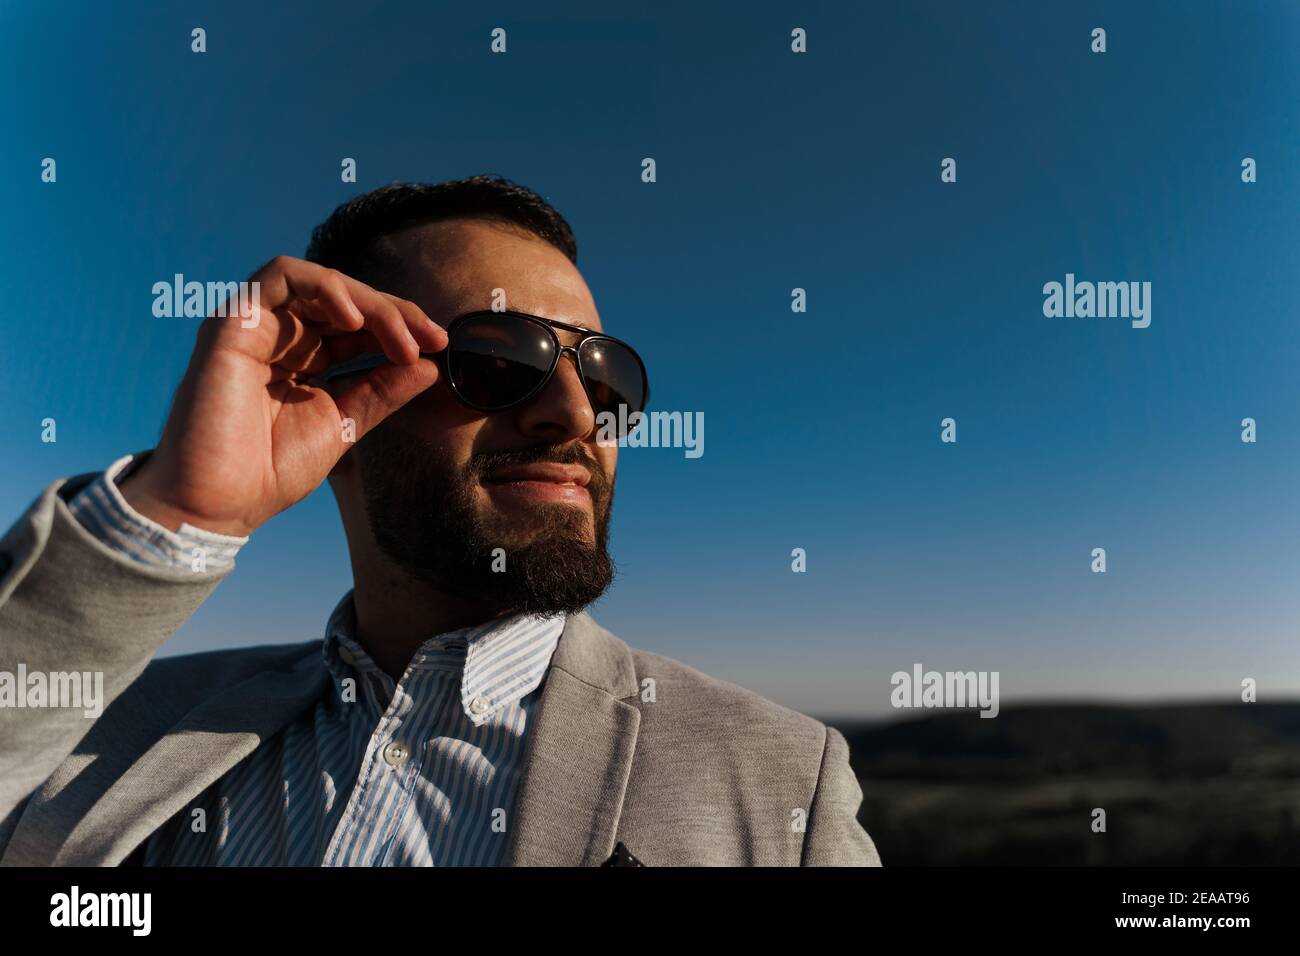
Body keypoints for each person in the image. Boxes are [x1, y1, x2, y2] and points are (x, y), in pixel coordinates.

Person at [0, 175, 881, 866]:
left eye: (605, 378)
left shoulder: (778, 782)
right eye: (501, 359)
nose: (578, 416)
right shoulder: (109, 720)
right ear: (334, 397)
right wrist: (182, 510)